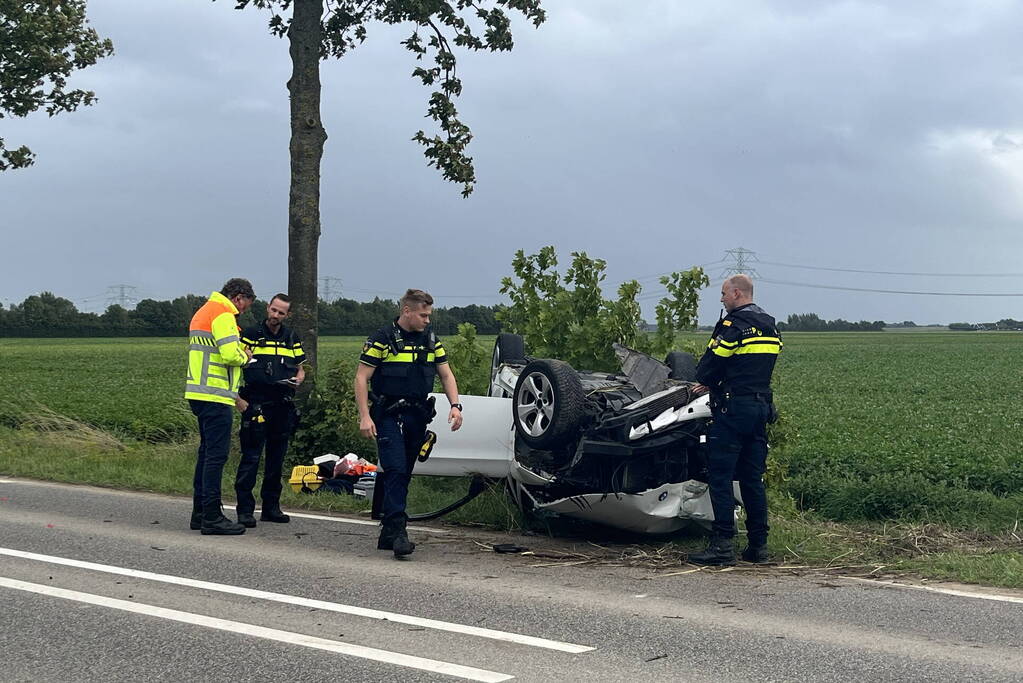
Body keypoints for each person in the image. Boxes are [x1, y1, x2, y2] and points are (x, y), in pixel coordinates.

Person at [354, 289, 463, 558]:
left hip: (416, 414)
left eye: (429, 315)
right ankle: (399, 532)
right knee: (395, 469)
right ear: (407, 311)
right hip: (388, 414)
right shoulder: (382, 339)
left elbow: (446, 374)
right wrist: (364, 416)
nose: (427, 320)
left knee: (404, 473)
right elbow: (361, 378)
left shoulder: (431, 340)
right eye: (423, 315)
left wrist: (456, 405)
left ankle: (388, 532)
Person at [689, 274, 782, 566]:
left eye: (724, 294)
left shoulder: (732, 326)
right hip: (760, 410)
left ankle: (722, 546)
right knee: (752, 479)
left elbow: (708, 367)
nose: (721, 299)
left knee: (721, 477)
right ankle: (758, 547)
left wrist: (709, 382)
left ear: (738, 294)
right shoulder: (770, 325)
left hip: (732, 410)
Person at [185, 278, 255, 535]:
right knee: (216, 457)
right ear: (238, 297)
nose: (243, 311)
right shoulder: (224, 314)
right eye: (245, 306)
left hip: (199, 392)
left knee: (206, 455)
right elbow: (229, 355)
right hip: (216, 395)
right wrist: (245, 356)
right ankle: (212, 516)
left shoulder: (204, 311)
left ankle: (200, 513)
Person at [233, 293, 307, 528]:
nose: (275, 316)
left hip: (282, 404)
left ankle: (271, 507)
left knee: (277, 459)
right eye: (273, 310)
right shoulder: (251, 334)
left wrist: (298, 379)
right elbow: (234, 365)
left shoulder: (290, 337)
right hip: (256, 403)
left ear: (288, 315)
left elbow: (301, 368)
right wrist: (238, 400)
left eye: (281, 313)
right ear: (268, 308)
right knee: (251, 458)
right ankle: (245, 510)